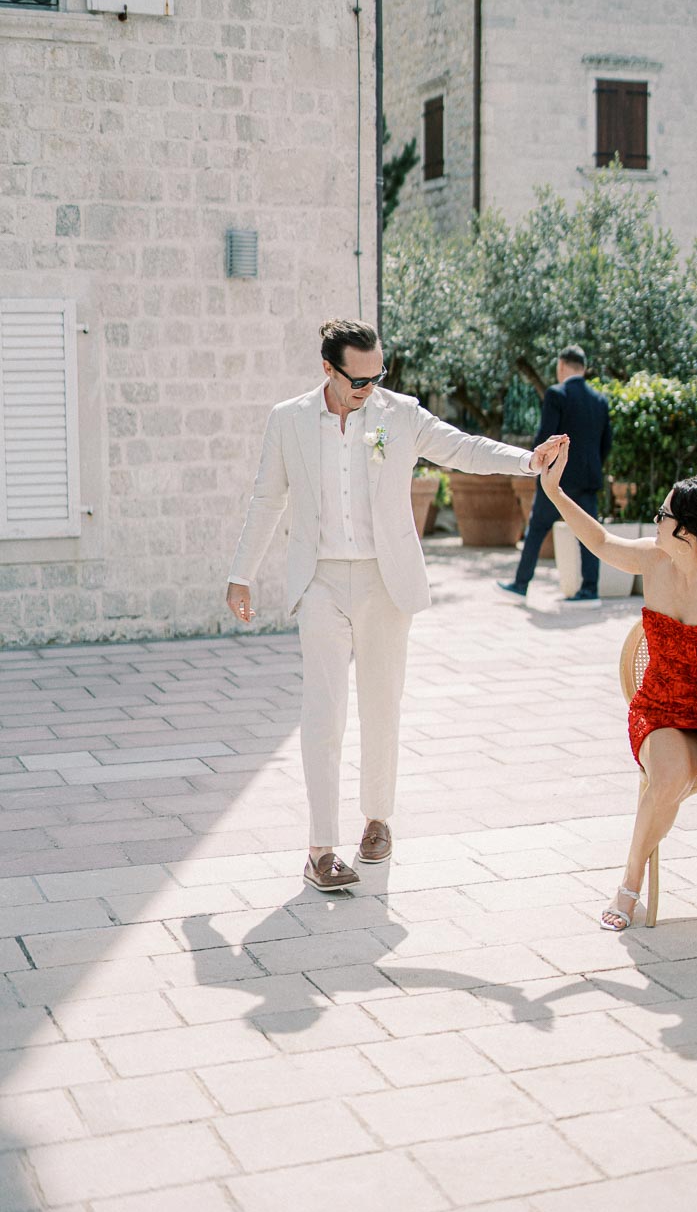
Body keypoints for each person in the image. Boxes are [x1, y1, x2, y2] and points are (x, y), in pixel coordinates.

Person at [226, 319, 564, 893]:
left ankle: (377, 820)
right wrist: (242, 574)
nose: (370, 387)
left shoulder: (399, 413)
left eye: (378, 374)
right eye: (358, 380)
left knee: (382, 705)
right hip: (321, 582)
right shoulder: (288, 420)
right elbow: (267, 497)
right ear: (328, 370)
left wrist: (527, 461)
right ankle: (320, 848)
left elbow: (462, 448)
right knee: (322, 713)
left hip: (386, 581)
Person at [541, 446, 697, 935]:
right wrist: (554, 492)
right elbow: (603, 541)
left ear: (686, 533)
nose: (656, 520)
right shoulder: (654, 562)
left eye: (662, 514)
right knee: (668, 779)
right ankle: (630, 880)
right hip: (665, 709)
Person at [497, 345, 612, 603]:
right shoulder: (600, 400)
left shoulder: (556, 394)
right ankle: (590, 590)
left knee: (537, 530)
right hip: (588, 480)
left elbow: (545, 437)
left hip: (557, 479)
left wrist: (541, 466)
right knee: (590, 535)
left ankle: (520, 584)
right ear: (583, 368)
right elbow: (606, 443)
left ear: (561, 366)